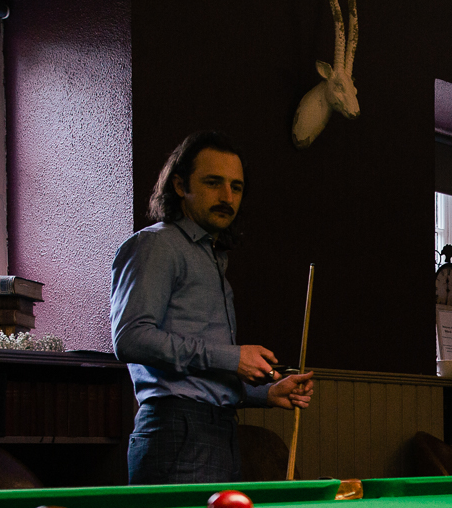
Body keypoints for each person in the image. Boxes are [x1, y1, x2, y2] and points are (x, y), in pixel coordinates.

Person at [110, 131, 314, 484]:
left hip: (216, 430)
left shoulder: (211, 257)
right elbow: (130, 338)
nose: (227, 197)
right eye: (213, 183)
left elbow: (202, 379)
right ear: (179, 185)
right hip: (177, 430)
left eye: (236, 187)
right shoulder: (158, 245)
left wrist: (266, 392)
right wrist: (231, 358)